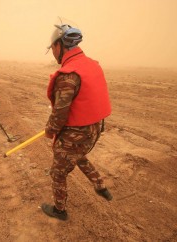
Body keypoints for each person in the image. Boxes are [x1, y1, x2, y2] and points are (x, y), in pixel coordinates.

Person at [41, 24, 113, 221]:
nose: (53, 53)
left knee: (58, 171)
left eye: (52, 48)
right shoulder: (92, 64)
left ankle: (59, 210)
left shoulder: (68, 74)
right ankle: (100, 185)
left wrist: (50, 131)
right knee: (77, 154)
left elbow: (60, 113)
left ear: (59, 46)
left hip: (77, 133)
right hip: (93, 131)